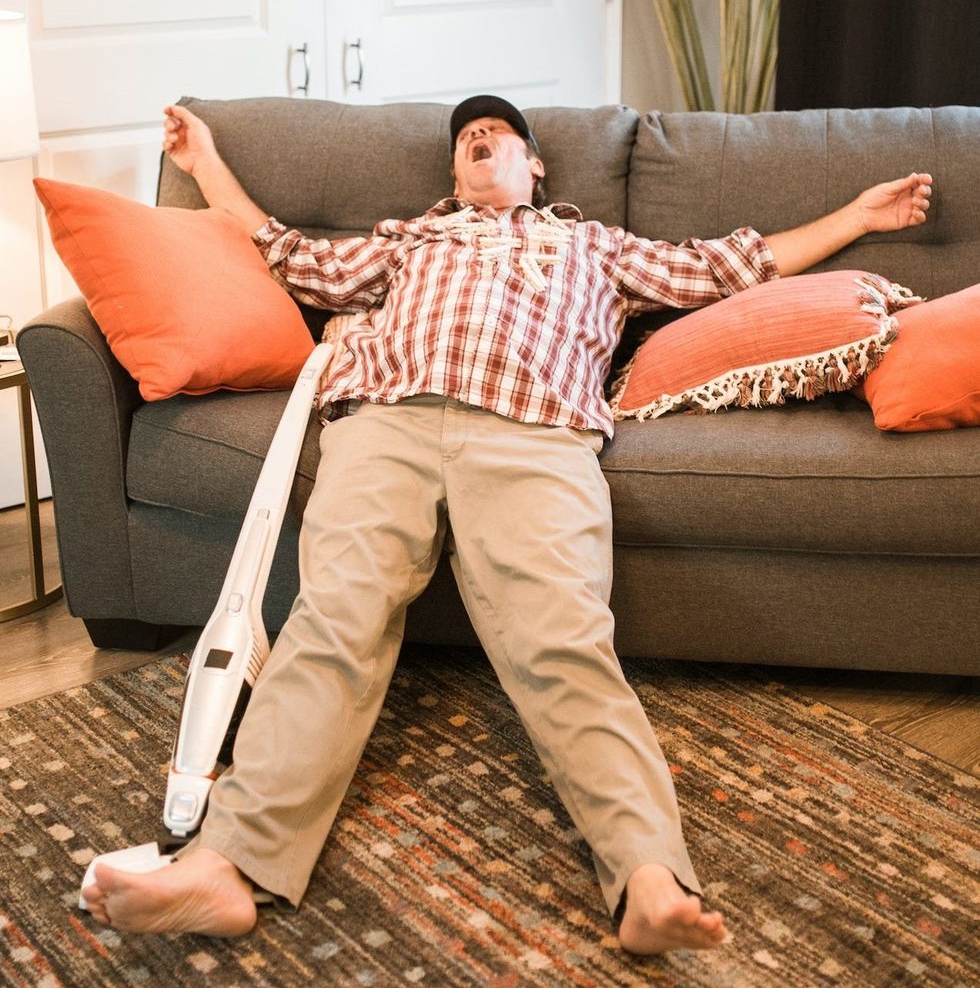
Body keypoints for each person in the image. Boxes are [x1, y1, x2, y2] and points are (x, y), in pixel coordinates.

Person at [81, 94, 931, 954]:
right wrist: (204, 164)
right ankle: (226, 865)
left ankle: (649, 877)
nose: (480, 137)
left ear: (536, 166)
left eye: (497, 132)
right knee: (333, 618)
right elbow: (288, 254)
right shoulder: (411, 240)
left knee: (562, 637)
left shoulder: (597, 246)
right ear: (455, 176)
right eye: (466, 138)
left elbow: (731, 266)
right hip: (387, 423)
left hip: (536, 438)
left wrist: (859, 216)